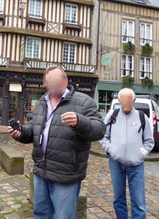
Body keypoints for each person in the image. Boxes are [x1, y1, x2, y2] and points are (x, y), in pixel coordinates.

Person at [8, 65, 106, 219]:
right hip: (41, 170)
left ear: (65, 81)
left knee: (63, 216)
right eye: (50, 81)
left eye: (58, 81)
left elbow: (100, 129)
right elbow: (34, 130)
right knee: (40, 214)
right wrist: (21, 133)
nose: (54, 84)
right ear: (45, 84)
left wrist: (80, 121)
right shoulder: (41, 102)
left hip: (66, 173)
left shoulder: (84, 102)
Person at [100, 88, 154, 219]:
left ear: (134, 101)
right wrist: (111, 150)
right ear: (119, 100)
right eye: (123, 99)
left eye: (129, 99)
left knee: (139, 202)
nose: (126, 102)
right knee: (118, 199)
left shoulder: (142, 117)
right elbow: (103, 137)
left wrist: (141, 154)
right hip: (116, 163)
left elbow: (149, 141)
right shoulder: (111, 116)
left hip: (136, 165)